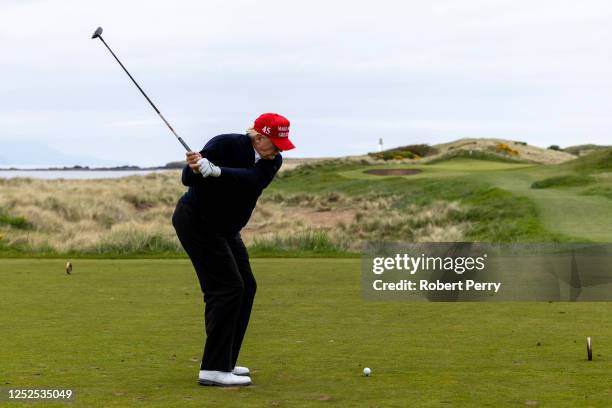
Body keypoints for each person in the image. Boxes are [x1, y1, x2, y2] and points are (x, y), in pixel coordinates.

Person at [172, 113, 295, 386]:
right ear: (258, 136)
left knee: (246, 287)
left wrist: (217, 171)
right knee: (227, 288)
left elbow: (252, 181)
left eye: (281, 145)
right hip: (197, 221)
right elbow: (186, 179)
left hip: (226, 229)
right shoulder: (225, 144)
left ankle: (224, 360)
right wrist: (195, 167)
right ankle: (213, 369)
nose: (277, 150)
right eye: (273, 143)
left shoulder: (272, 160)